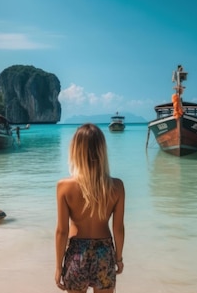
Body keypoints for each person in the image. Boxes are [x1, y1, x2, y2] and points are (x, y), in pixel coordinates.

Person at [55, 123, 125, 293]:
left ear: (75, 151)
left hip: (76, 253)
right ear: (102, 151)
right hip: (104, 252)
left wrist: (58, 266)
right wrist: (119, 258)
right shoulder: (116, 186)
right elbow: (118, 228)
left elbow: (62, 231)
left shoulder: (64, 186)